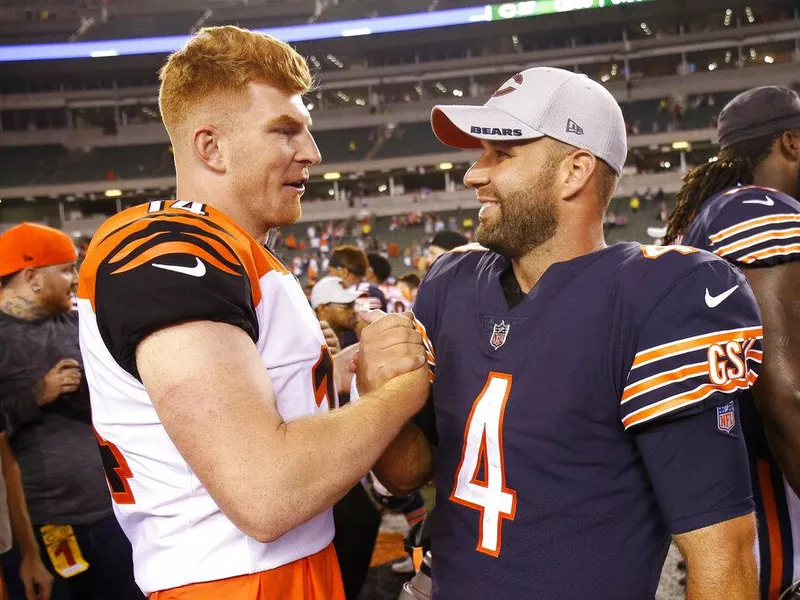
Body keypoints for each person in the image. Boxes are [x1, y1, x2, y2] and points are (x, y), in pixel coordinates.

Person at [368, 67, 762, 599]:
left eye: (501, 154)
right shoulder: (449, 283)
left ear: (574, 171)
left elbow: (722, 553)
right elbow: (407, 474)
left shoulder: (660, 296)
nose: (473, 175)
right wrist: (380, 395)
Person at [77, 26, 429, 599]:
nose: (311, 152)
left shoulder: (235, 247)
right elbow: (264, 494)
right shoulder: (172, 246)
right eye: (285, 131)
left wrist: (332, 380)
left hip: (277, 566)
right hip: (233, 579)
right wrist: (395, 396)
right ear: (210, 146)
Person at [664, 85, 800, 600]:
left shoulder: (719, 212)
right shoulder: (755, 210)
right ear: (790, 142)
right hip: (769, 487)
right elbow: (784, 395)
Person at [0, 223, 141, 600]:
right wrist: (37, 395)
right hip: (41, 524)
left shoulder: (82, 321)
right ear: (31, 277)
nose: (74, 280)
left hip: (114, 509)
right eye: (65, 269)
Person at [328, 245, 387, 315]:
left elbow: (363, 324)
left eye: (330, 271)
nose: (329, 276)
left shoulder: (342, 295)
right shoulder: (375, 292)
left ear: (343, 272)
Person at [311, 276, 362, 349]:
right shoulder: (312, 346)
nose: (354, 311)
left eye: (353, 304)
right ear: (322, 308)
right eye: (346, 305)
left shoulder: (352, 336)